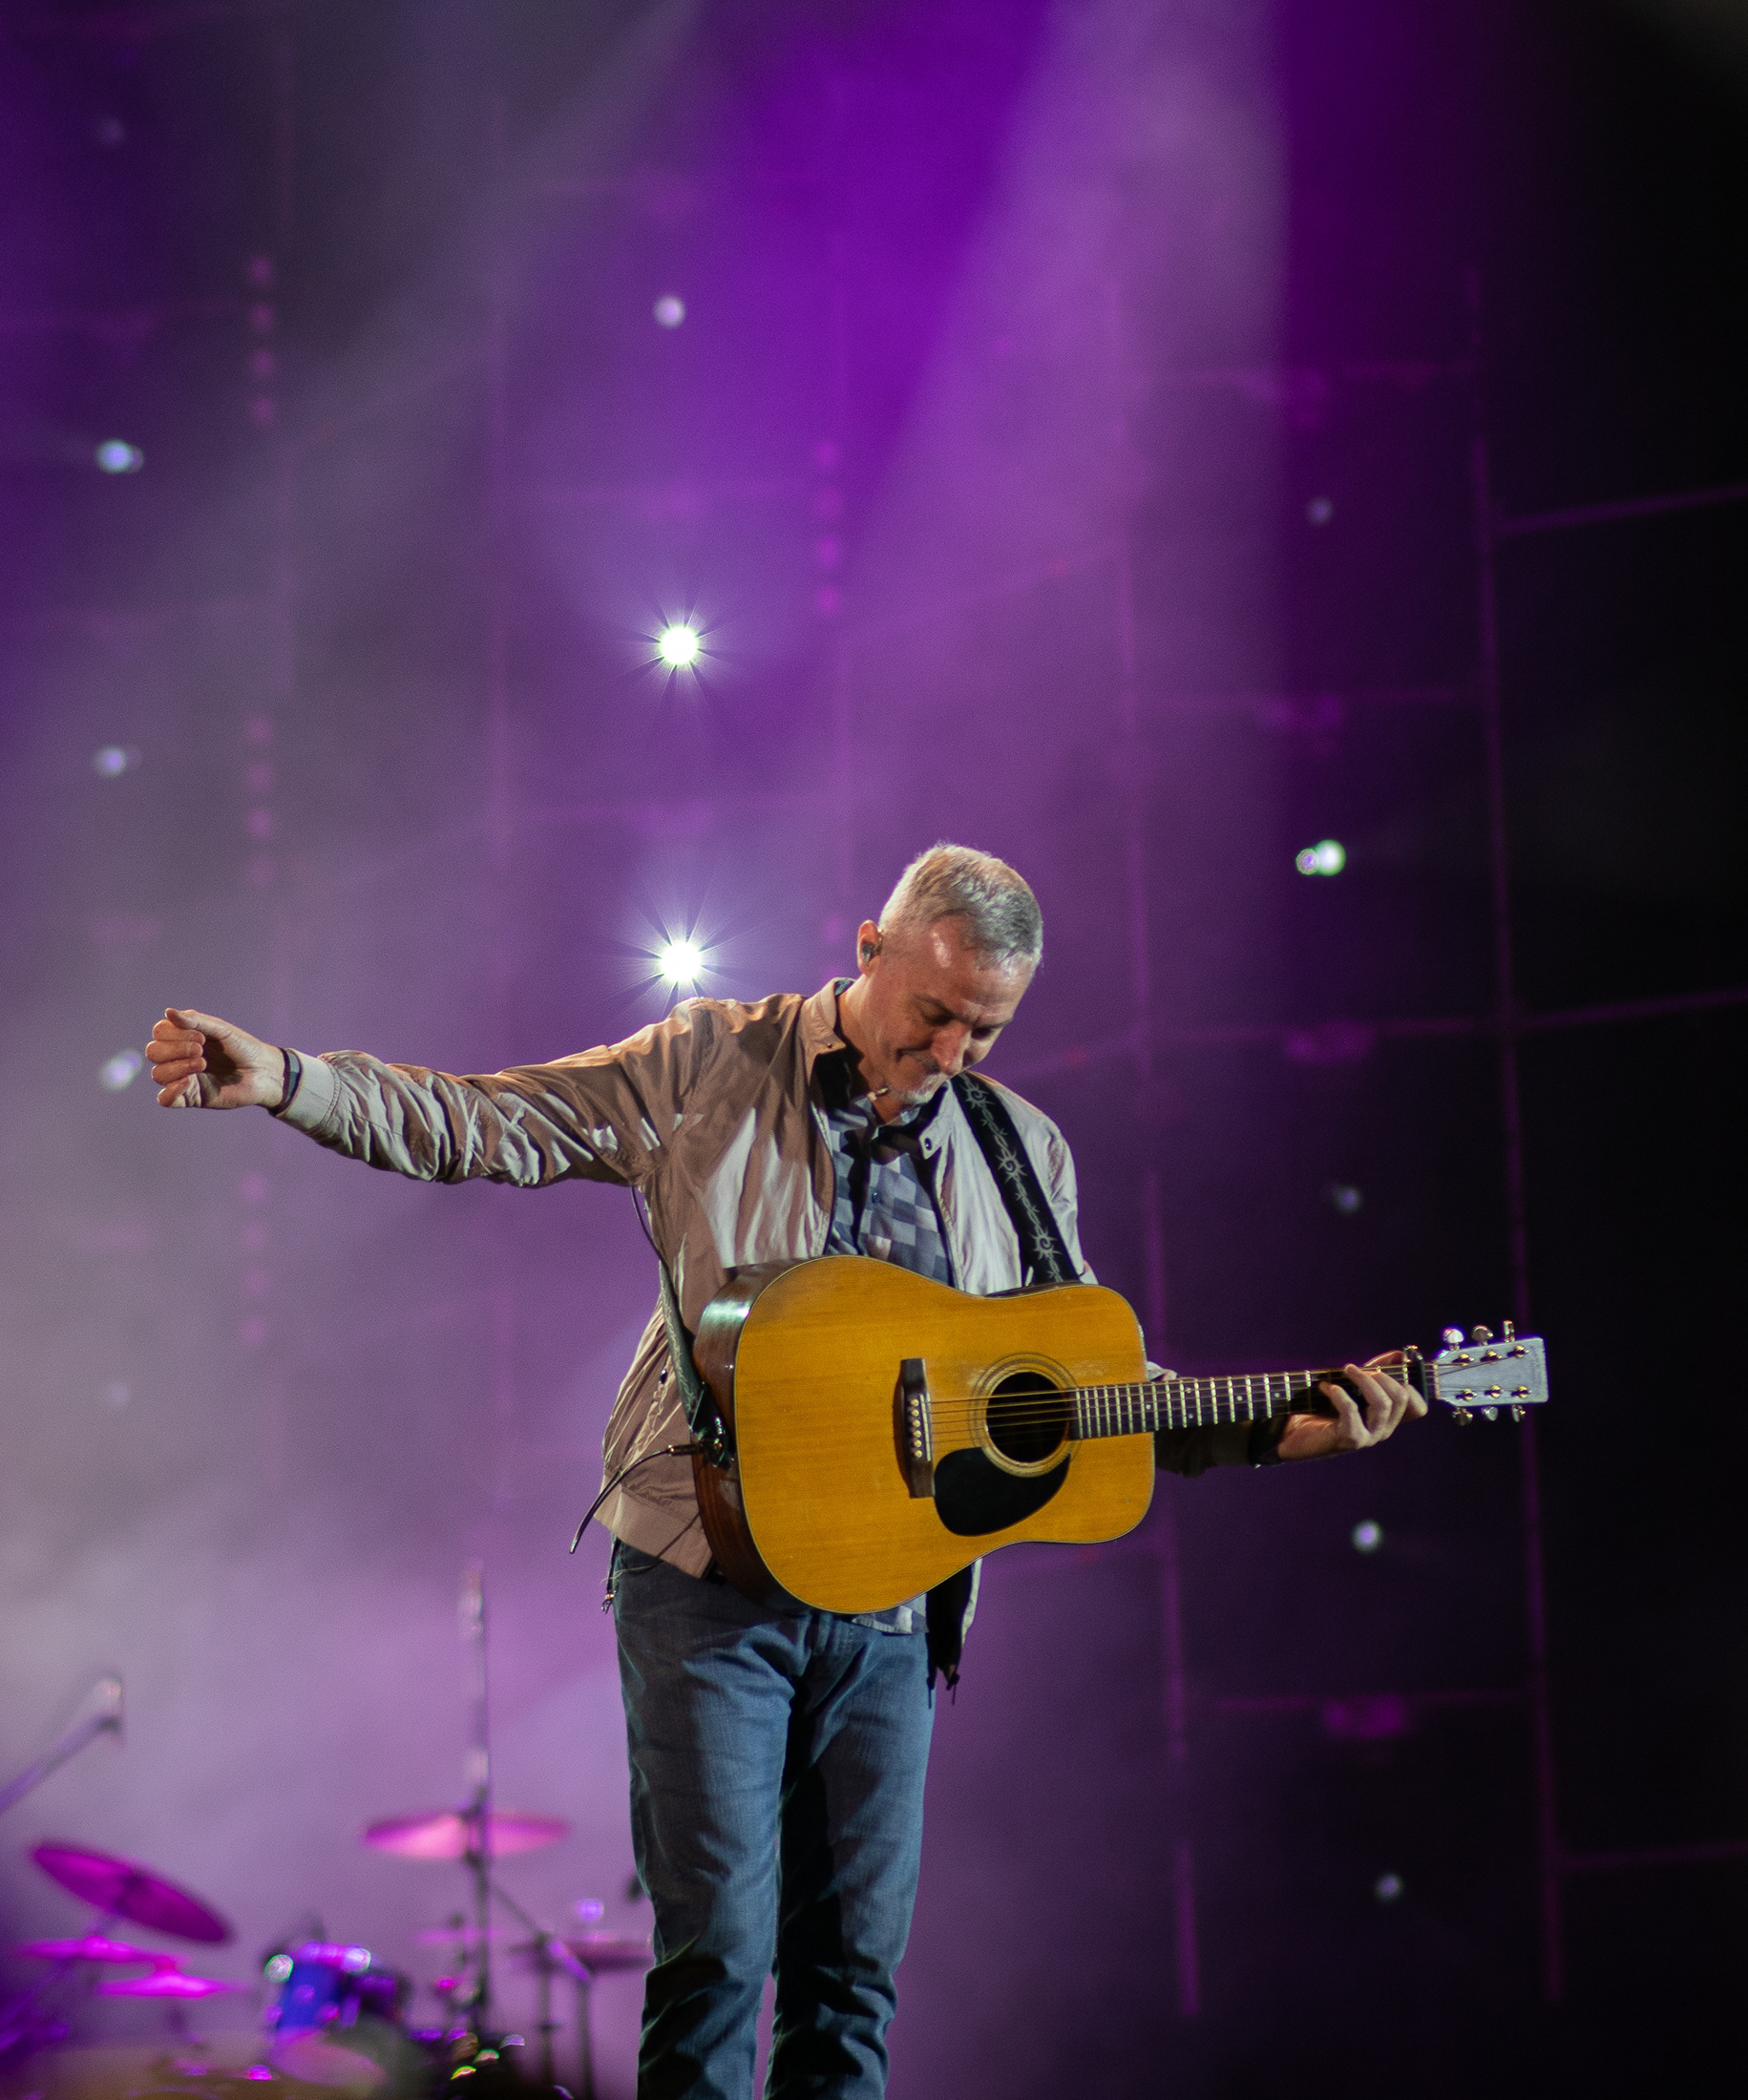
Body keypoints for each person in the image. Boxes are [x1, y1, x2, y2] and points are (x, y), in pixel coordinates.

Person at [145, 843, 1422, 2100]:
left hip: (895, 1608)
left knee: (853, 1982)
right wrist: (293, 1081)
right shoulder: (711, 1061)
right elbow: (490, 1120)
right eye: (933, 1015)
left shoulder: (1022, 1152)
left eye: (985, 1031)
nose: (950, 1055)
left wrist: (1267, 1426)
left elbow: (1079, 1389)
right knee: (717, 1960)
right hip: (709, 1581)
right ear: (868, 951)